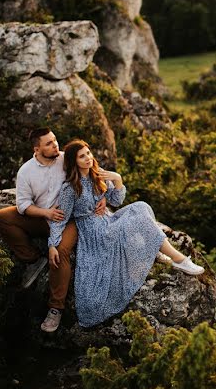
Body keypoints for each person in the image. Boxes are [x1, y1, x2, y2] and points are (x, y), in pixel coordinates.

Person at [49, 139, 204, 328]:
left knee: (141, 207)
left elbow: (116, 200)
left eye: (88, 153)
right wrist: (52, 244)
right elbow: (61, 219)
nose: (88, 158)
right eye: (82, 156)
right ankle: (179, 260)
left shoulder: (99, 175)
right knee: (140, 217)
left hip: (109, 220)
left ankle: (176, 258)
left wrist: (117, 179)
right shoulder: (70, 188)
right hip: (94, 233)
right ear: (74, 162)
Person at [0, 128, 106, 333]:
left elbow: (92, 170)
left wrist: (102, 194)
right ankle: (33, 258)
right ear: (37, 149)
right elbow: (23, 205)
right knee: (3, 217)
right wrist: (45, 213)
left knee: (61, 251)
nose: (55, 145)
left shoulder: (65, 159)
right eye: (49, 143)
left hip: (68, 219)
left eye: (55, 141)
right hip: (43, 217)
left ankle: (55, 309)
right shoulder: (26, 171)